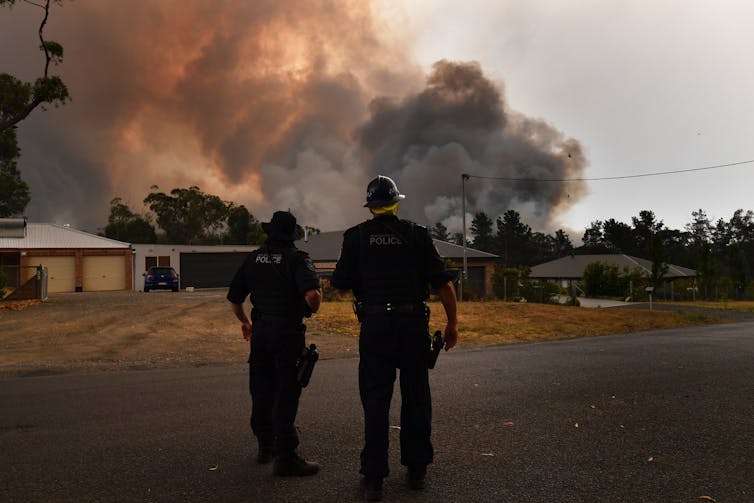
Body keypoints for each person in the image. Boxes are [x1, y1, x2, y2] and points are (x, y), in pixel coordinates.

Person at [331, 175, 459, 501]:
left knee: (376, 401)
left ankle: (374, 476)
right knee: (416, 398)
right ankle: (416, 470)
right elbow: (444, 285)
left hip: (374, 328)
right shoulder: (416, 235)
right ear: (395, 202)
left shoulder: (355, 237)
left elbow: (340, 283)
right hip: (412, 326)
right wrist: (452, 325)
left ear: (370, 205)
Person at [227, 210, 322, 477]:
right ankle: (286, 457)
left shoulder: (253, 258)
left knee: (261, 388)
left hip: (260, 333)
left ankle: (265, 445)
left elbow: (234, 298)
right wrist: (313, 306)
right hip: (286, 333)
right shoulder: (297, 259)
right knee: (286, 392)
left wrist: (245, 322)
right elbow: (312, 295)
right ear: (292, 235)